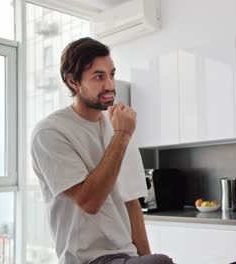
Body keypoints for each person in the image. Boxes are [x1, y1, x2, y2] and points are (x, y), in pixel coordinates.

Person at [31, 37, 173, 264]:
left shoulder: (117, 126)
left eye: (112, 75)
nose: (110, 86)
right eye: (99, 76)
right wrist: (122, 136)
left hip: (126, 255)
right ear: (73, 82)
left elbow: (132, 203)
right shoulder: (50, 132)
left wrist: (146, 257)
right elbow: (90, 202)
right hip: (86, 259)